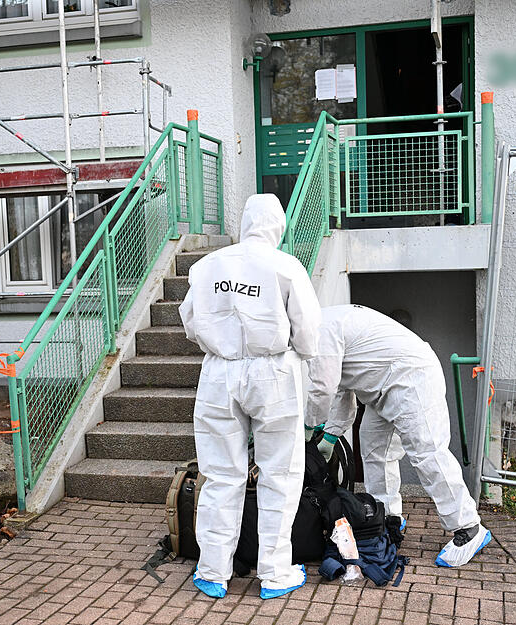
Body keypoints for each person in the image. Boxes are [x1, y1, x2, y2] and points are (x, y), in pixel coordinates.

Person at [179, 194, 321, 600]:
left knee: (220, 473)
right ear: (278, 226)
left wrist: (220, 344)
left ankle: (212, 571)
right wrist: (300, 355)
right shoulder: (285, 265)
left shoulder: (207, 266)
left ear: (244, 222)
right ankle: (275, 573)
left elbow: (190, 322)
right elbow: (308, 331)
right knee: (280, 473)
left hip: (219, 372)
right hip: (273, 371)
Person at [305, 304, 491, 568]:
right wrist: (331, 436)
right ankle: (387, 516)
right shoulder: (325, 324)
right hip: (383, 387)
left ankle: (469, 527)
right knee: (374, 449)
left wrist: (309, 428)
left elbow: (322, 389)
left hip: (411, 377)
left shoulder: (321, 330)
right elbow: (341, 392)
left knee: (427, 453)